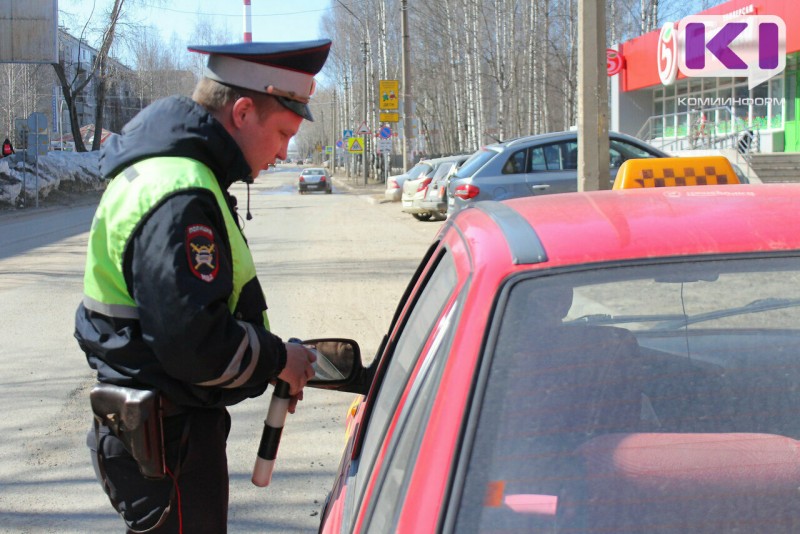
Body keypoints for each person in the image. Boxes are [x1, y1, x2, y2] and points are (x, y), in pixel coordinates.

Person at [74, 39, 331, 533]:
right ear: (241, 112)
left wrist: (273, 358)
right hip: (169, 444)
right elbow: (194, 344)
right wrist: (278, 359)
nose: (282, 152)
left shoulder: (171, 171)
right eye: (282, 133)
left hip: (159, 437)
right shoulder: (182, 191)